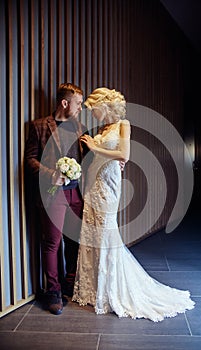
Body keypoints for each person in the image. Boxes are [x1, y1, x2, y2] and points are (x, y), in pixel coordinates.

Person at [72, 87, 195, 322]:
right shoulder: (102, 129)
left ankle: (113, 290)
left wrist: (93, 147)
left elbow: (123, 155)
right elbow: (103, 156)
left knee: (107, 234)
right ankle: (93, 290)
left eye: (94, 109)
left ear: (105, 106)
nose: (93, 114)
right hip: (94, 183)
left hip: (109, 186)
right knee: (92, 234)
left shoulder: (122, 124)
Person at [25, 83, 90, 315]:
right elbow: (30, 160)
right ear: (65, 103)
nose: (80, 108)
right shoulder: (39, 126)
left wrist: (116, 162)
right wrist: (51, 174)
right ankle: (52, 292)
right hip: (52, 194)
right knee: (52, 243)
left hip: (76, 195)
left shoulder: (81, 128)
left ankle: (68, 286)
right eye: (78, 103)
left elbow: (90, 160)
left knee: (74, 242)